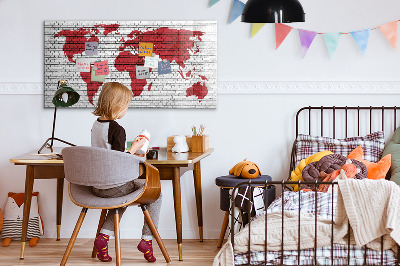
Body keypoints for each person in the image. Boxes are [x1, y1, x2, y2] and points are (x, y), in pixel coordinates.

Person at [91, 82, 161, 263]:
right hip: (114, 186)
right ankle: (147, 240)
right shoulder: (117, 129)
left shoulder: (96, 125)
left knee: (121, 197)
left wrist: (131, 149)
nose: (126, 109)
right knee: (156, 194)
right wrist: (136, 148)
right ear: (117, 105)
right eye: (126, 105)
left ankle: (103, 238)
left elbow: (108, 154)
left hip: (97, 186)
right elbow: (119, 160)